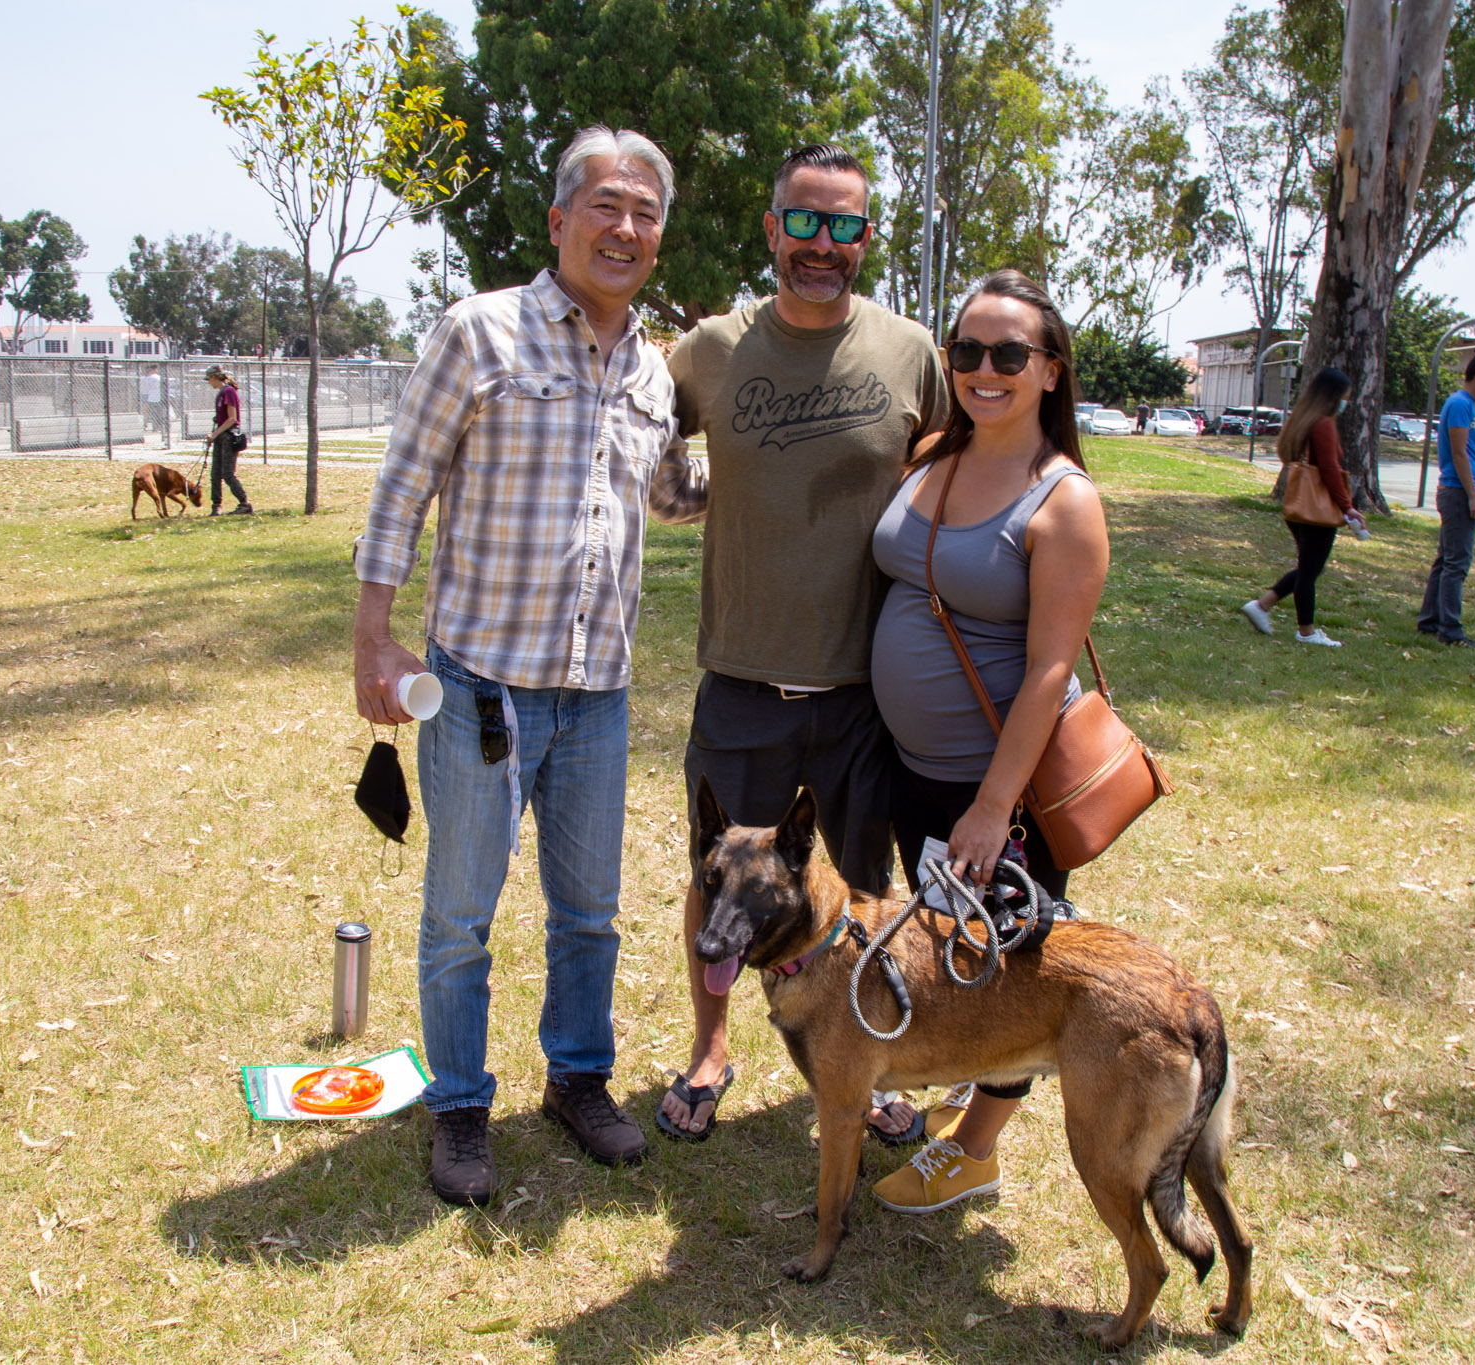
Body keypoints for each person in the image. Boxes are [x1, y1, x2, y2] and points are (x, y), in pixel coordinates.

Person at [351, 126, 705, 1207]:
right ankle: (458, 1103)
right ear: (558, 222)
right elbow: (402, 486)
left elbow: (668, 496)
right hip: (480, 688)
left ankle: (577, 1081)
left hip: (598, 694)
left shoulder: (653, 367)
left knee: (587, 910)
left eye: (644, 212)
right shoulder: (478, 334)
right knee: (462, 912)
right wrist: (373, 635)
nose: (626, 227)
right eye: (604, 205)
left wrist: (773, 463)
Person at [656, 144, 947, 1146]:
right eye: (804, 222)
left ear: (865, 238)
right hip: (739, 679)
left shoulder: (910, 353)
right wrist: (687, 497)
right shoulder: (708, 348)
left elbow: (955, 470)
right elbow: (642, 435)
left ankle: (862, 1058)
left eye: (845, 226)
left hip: (863, 695)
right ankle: (708, 1049)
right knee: (717, 887)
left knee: (858, 893)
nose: (823, 245)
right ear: (772, 226)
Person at [862, 268, 1111, 1215]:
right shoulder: (933, 452)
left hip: (990, 786)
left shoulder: (1065, 501)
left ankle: (977, 1147)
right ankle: (967, 1102)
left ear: (1051, 371)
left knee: (1014, 963)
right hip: (913, 772)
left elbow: (1049, 668)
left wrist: (993, 806)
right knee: (954, 947)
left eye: (1011, 354)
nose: (984, 369)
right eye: (965, 351)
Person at [1237, 367, 1367, 646]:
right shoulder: (1324, 424)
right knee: (1310, 571)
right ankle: (1305, 631)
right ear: (1333, 397)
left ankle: (1263, 605)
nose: (1346, 403)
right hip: (1317, 509)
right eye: (1345, 397)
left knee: (1308, 567)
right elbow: (1330, 469)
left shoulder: (1302, 422)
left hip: (1298, 505)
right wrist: (1348, 507)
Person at [1418, 349, 1475, 648]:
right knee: (1457, 564)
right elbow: (1458, 453)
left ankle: (1429, 620)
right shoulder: (1459, 404)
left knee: (1445, 560)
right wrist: (1472, 496)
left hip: (1459, 490)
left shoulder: (1466, 405)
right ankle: (1450, 631)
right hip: (1458, 491)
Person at [203, 367, 252, 515]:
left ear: (214, 377)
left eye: (209, 379)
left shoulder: (228, 392)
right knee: (215, 474)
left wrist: (215, 433)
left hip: (228, 437)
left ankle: (244, 503)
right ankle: (216, 506)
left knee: (227, 473)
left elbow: (232, 418)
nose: (209, 383)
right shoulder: (221, 393)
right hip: (220, 436)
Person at [140, 369, 167, 438]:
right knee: (160, 413)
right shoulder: (159, 378)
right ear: (155, 370)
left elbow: (145, 388)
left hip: (151, 397)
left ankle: (154, 427)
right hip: (159, 397)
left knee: (153, 414)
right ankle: (161, 427)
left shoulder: (146, 379)